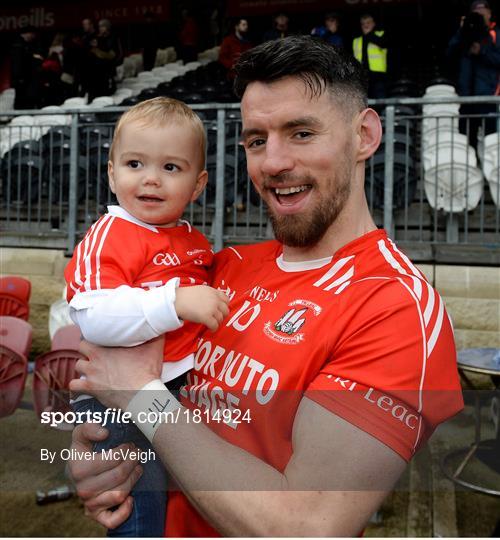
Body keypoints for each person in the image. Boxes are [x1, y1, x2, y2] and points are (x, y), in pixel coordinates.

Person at [67, 36, 463, 537]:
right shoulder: (220, 265)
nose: (272, 163)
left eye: (300, 133)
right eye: (256, 140)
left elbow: (306, 527)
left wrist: (141, 398)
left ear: (364, 135)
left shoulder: (393, 307)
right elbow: (118, 373)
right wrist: (96, 456)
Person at [65, 97, 230, 537]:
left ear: (198, 185)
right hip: (116, 399)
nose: (151, 179)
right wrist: (172, 303)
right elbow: (93, 315)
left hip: (175, 390)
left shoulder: (194, 241)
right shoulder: (111, 234)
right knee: (138, 507)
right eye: (135, 163)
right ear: (111, 172)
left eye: (171, 168)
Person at [447, 0, 500, 147]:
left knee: (492, 141)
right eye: (476, 13)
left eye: (483, 12)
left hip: (488, 96)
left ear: (490, 14)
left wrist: (482, 52)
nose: (480, 15)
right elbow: (449, 56)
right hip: (467, 97)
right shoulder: (464, 34)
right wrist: (461, 31)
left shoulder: (495, 34)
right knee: (466, 143)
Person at [353, 13, 388, 99]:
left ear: (374, 24)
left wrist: (368, 34)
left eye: (368, 23)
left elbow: (382, 43)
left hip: (378, 74)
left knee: (380, 100)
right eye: (363, 23)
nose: (365, 25)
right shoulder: (356, 40)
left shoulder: (381, 34)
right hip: (362, 75)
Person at [87, 19, 123, 101]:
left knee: (108, 92)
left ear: (107, 27)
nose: (101, 28)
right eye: (99, 26)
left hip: (108, 69)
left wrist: (114, 63)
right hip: (96, 71)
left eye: (103, 26)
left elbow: (117, 53)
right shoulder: (96, 37)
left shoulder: (113, 37)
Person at [10, 26, 44, 109]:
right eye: (32, 34)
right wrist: (19, 77)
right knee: (22, 100)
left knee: (23, 99)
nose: (33, 37)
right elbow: (18, 62)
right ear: (28, 34)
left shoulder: (24, 45)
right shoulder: (18, 45)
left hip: (23, 79)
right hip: (22, 79)